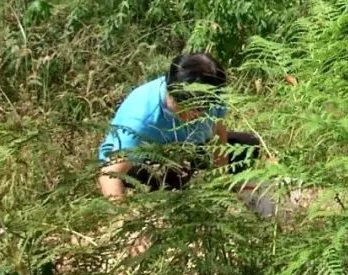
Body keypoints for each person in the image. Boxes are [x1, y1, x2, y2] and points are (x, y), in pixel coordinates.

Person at [96, 53, 271, 212]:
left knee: (247, 145)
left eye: (205, 108)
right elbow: (109, 174)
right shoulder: (142, 119)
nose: (200, 114)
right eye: (194, 110)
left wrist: (222, 179)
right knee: (181, 175)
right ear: (174, 95)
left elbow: (219, 135)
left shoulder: (211, 94)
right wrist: (126, 221)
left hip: (190, 148)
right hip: (147, 164)